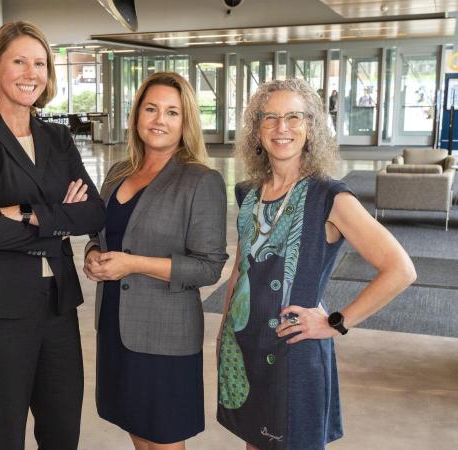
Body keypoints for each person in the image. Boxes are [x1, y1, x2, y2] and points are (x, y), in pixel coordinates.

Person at [216, 78, 415, 450]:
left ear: (311, 128)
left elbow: (400, 269)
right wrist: (224, 330)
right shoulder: (247, 193)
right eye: (270, 118)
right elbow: (240, 270)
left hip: (296, 352)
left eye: (294, 117)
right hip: (246, 344)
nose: (282, 128)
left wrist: (336, 322)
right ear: (256, 131)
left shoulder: (329, 197)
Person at [0, 21, 105, 450]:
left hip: (58, 307)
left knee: (62, 432)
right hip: (0, 311)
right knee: (4, 436)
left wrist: (23, 212)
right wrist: (58, 219)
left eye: (40, 63)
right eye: (19, 60)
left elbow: (93, 212)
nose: (31, 72)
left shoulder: (57, 137)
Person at [83, 72, 228, 449]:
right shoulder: (118, 174)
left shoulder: (200, 181)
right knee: (138, 432)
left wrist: (134, 265)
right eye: (151, 108)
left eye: (171, 112)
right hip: (116, 324)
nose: (159, 120)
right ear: (136, 116)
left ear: (186, 122)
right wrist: (94, 256)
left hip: (165, 335)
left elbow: (209, 266)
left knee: (163, 438)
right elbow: (99, 235)